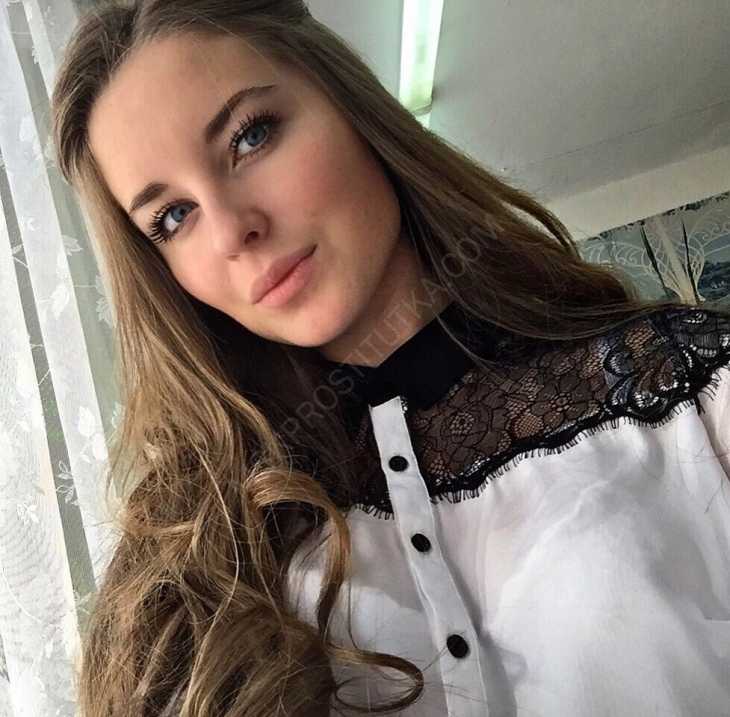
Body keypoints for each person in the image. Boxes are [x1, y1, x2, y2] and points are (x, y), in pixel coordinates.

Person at [50, 1, 730, 715]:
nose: (229, 231)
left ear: (350, 106)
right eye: (172, 217)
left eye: (250, 136)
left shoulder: (691, 390)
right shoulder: (195, 550)